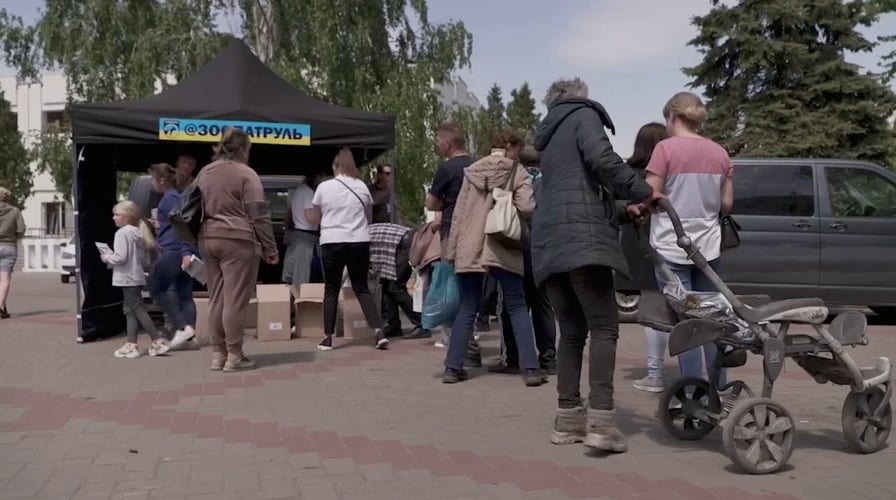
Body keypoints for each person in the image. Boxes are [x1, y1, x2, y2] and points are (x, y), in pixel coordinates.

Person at [532, 77, 661, 453]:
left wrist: (625, 208)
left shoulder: (549, 138)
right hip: (583, 243)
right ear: (577, 96)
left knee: (571, 332)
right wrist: (646, 192)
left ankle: (568, 419)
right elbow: (603, 162)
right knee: (605, 329)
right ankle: (602, 423)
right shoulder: (582, 114)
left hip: (549, 241)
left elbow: (578, 192)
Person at [442, 130, 545, 387]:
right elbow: (528, 208)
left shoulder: (472, 172)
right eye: (517, 150)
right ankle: (530, 369)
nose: (518, 155)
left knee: (468, 307)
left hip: (471, 246)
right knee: (517, 306)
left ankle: (452, 368)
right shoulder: (517, 171)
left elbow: (458, 214)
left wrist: (452, 252)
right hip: (502, 245)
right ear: (510, 146)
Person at [645, 92, 734, 388]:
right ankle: (721, 389)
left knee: (686, 324)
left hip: (672, 245)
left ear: (671, 116)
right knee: (712, 320)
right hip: (708, 247)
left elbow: (650, 195)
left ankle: (694, 395)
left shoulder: (664, 149)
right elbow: (728, 204)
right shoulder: (720, 153)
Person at [194, 127, 279, 371]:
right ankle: (234, 355)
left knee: (216, 298)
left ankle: (217, 355)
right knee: (235, 300)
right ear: (242, 148)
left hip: (207, 238)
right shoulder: (246, 174)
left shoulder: (204, 172)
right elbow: (258, 214)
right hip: (237, 240)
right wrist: (269, 248)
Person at [307, 147, 386, 352]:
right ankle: (378, 332)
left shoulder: (324, 188)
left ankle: (328, 337)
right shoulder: (361, 187)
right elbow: (368, 218)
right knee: (361, 287)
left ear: (336, 167)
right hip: (359, 241)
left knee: (331, 289)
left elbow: (315, 218)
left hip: (332, 242)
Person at [490, 145, 557, 376]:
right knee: (543, 307)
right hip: (544, 253)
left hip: (517, 251)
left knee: (511, 306)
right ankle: (548, 357)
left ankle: (512, 358)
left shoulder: (515, 181)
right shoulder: (551, 183)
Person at [621, 123, 672, 393]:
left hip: (640, 246)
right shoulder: (669, 174)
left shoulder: (629, 175)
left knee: (653, 308)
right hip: (670, 245)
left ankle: (655, 373)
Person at [425, 122, 481, 365]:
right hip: (477, 233)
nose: (438, 145)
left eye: (439, 141)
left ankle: (463, 346)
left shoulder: (447, 169)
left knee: (450, 288)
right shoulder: (477, 166)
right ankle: (467, 342)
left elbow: (431, 203)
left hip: (451, 233)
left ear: (447, 143)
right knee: (470, 289)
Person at [102, 200, 170, 358]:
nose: (113, 218)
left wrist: (107, 257)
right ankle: (131, 344)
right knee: (129, 310)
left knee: (137, 308)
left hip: (126, 277)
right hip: (137, 276)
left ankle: (157, 341)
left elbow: (120, 257)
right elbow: (145, 260)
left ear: (126, 217)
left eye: (117, 215)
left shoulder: (121, 233)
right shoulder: (138, 232)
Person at [147, 163, 197, 349]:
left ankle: (182, 327)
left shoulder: (170, 198)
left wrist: (184, 250)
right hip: (178, 250)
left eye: (153, 179)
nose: (152, 183)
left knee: (154, 286)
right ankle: (189, 338)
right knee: (185, 294)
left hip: (174, 251)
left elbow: (182, 224)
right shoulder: (175, 197)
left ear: (161, 180)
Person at [369, 222, 426, 338]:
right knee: (385, 285)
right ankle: (394, 325)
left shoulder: (357, 241)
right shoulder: (359, 236)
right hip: (403, 242)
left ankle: (423, 325)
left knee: (396, 287)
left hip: (406, 242)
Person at [282, 173, 323, 287]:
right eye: (320, 177)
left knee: (294, 276)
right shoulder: (308, 193)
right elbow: (311, 218)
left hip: (296, 238)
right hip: (307, 239)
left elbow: (289, 216)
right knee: (303, 278)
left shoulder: (297, 191)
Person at [0, 187, 25, 319]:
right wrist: (15, 237)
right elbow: (21, 229)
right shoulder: (15, 211)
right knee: (5, 280)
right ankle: (1, 306)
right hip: (9, 246)